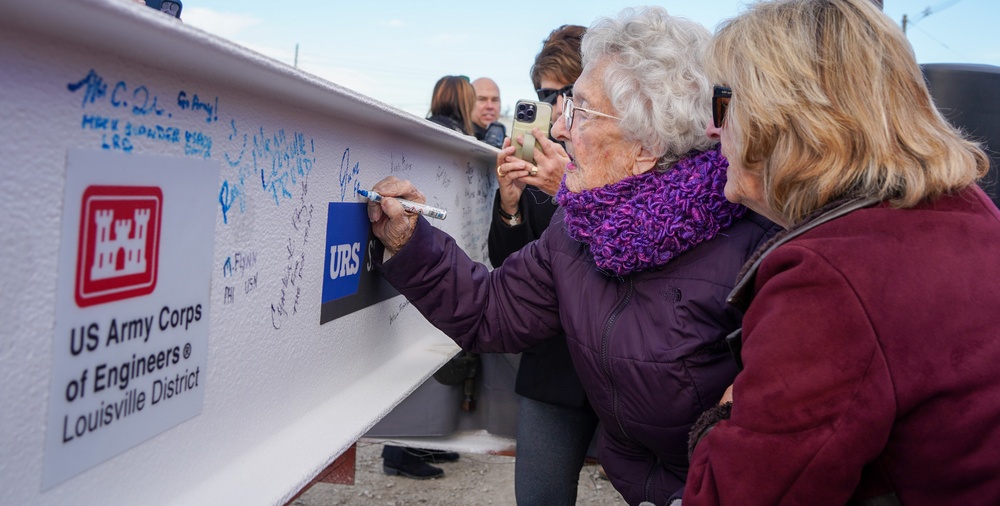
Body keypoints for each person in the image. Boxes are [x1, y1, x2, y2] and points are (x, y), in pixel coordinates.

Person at [366, 7, 777, 504]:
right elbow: (491, 310)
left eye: (579, 111)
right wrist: (412, 241)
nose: (559, 129)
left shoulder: (758, 244)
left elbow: (785, 439)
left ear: (645, 146)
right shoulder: (579, 227)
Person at [684, 0, 1000, 504]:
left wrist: (723, 414)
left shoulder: (829, 278)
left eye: (724, 102)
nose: (711, 129)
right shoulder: (967, 207)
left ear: (783, 114)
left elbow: (735, 495)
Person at [487, 24, 600, 506]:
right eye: (541, 94)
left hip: (628, 363)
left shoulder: (636, 157)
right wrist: (511, 206)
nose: (551, 106)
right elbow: (510, 271)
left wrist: (568, 188)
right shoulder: (536, 165)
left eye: (563, 93)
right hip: (554, 366)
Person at [380, 74, 477, 481]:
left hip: (423, 256)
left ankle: (414, 441)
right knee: (419, 350)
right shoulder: (452, 138)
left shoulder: (425, 130)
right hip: (427, 253)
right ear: (464, 102)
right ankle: (400, 449)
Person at [471, 77, 506, 148]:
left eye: (495, 100)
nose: (490, 106)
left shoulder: (509, 145)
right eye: (482, 99)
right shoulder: (455, 137)